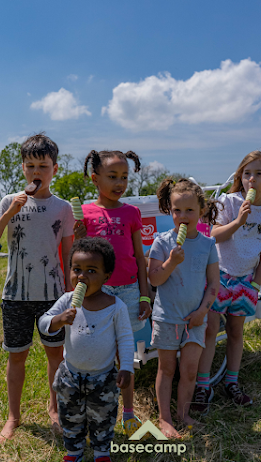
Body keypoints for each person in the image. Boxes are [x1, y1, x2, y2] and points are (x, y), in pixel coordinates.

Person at [0, 133, 74, 443]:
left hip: (52, 296)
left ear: (55, 169)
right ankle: (13, 417)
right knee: (17, 357)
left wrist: (72, 291)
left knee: (55, 356)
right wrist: (10, 212)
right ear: (23, 168)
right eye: (31, 165)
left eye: (43, 166)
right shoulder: (10, 201)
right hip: (16, 295)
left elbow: (69, 254)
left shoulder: (63, 208)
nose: (37, 172)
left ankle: (55, 409)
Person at [192, 150, 261, 412]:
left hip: (245, 280)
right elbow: (214, 235)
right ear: (241, 177)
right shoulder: (230, 202)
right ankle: (203, 386)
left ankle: (232, 382)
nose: (251, 179)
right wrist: (238, 221)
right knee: (211, 330)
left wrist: (256, 283)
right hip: (218, 276)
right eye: (247, 173)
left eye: (259, 174)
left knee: (236, 331)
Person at [38, 237, 134, 462]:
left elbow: (124, 338)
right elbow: (43, 322)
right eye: (76, 269)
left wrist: (126, 368)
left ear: (106, 276)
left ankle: (102, 453)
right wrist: (58, 320)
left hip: (103, 377)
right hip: (70, 376)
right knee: (71, 416)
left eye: (91, 271)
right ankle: (74, 451)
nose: (82, 277)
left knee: (103, 418)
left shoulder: (116, 306)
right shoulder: (67, 301)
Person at [73, 150, 152, 437]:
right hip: (99, 293)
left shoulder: (132, 212)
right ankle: (96, 410)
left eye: (124, 177)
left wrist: (145, 295)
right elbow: (81, 260)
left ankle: (128, 414)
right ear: (95, 179)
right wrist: (79, 235)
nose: (119, 183)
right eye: (112, 177)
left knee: (126, 355)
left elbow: (139, 257)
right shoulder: (84, 213)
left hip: (129, 291)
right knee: (99, 354)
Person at [148, 178, 221, 438]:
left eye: (189, 210)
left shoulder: (208, 244)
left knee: (190, 370)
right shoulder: (162, 242)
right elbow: (154, 279)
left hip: (195, 319)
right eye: (177, 210)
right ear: (170, 211)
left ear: (201, 211)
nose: (183, 216)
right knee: (166, 369)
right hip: (167, 317)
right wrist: (170, 263)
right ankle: (164, 418)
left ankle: (183, 414)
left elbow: (214, 283)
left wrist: (203, 311)